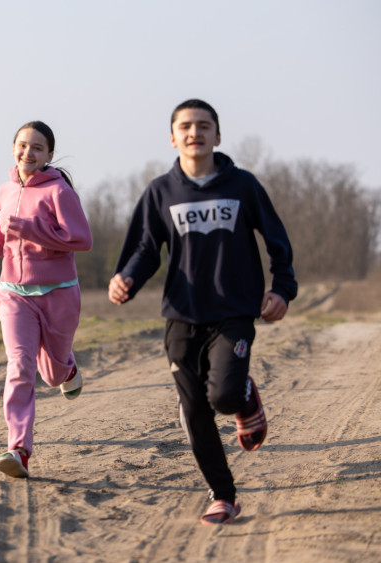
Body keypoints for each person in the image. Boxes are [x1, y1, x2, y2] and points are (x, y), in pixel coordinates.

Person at [109, 99, 298, 525]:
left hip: (234, 312)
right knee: (194, 409)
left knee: (223, 397)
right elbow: (145, 249)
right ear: (172, 138)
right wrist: (127, 279)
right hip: (182, 314)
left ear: (218, 135)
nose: (195, 132)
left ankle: (243, 396)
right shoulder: (160, 191)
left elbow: (276, 240)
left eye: (204, 125)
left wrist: (282, 289)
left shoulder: (243, 185)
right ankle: (223, 495)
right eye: (186, 126)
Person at [0, 121, 93, 478]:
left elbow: (81, 240)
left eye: (37, 147)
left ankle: (67, 369)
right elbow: (3, 235)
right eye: (23, 145)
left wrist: (33, 231)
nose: (28, 152)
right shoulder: (5, 191)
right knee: (20, 364)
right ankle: (18, 449)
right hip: (13, 294)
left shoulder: (59, 192)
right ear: (13, 149)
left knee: (51, 375)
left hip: (58, 293)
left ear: (49, 155)